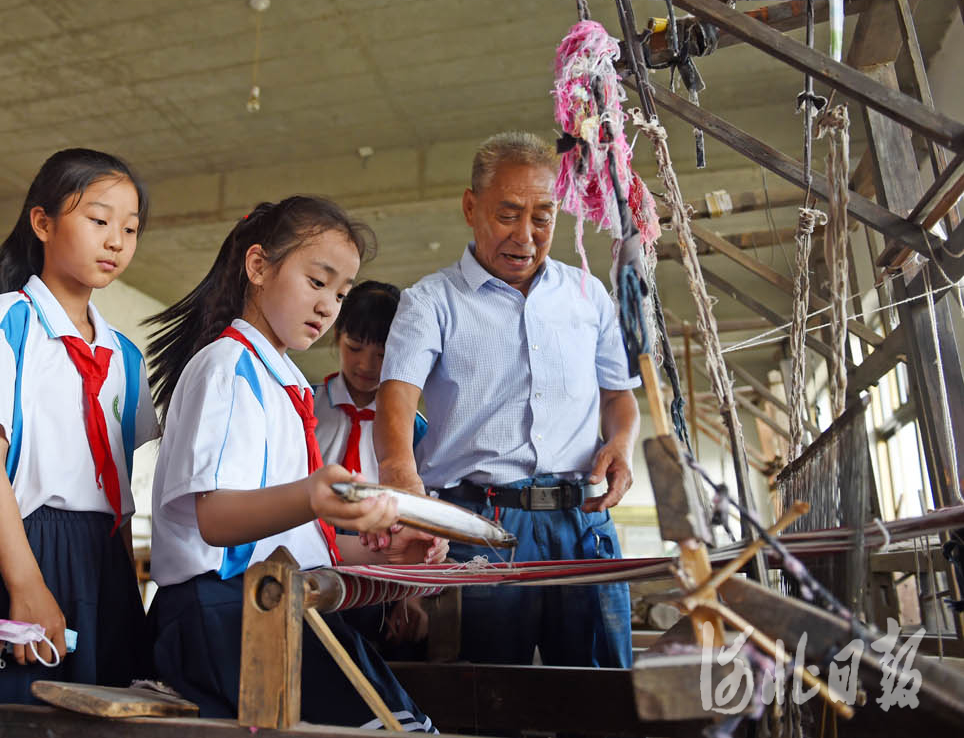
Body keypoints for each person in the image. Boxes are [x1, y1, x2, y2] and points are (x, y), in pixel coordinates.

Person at [144, 196, 444, 732]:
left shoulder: (282, 381)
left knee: (406, 724)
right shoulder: (227, 366)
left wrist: (393, 551)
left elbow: (289, 543)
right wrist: (311, 494)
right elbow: (217, 522)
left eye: (341, 292)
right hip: (223, 614)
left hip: (278, 604)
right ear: (258, 266)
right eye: (317, 281)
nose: (329, 305)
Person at [374, 132, 640, 669]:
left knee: (603, 697)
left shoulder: (588, 295)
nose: (526, 235)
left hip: (581, 525)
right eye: (508, 214)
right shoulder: (431, 302)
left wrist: (621, 443)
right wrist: (399, 471)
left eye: (542, 217)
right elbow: (396, 397)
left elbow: (618, 395)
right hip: (479, 529)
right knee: (485, 699)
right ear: (471, 207)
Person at [0, 149, 159, 738]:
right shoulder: (11, 320)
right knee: (16, 719)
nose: (116, 240)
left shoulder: (126, 357)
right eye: (98, 219)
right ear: (43, 223)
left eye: (130, 228)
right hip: (30, 546)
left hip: (107, 563)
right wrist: (26, 585)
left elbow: (117, 483)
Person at [313, 280, 429, 650]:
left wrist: (411, 598)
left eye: (382, 354)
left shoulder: (416, 432)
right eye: (354, 347)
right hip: (311, 570)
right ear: (337, 337)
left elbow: (423, 521)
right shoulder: (304, 409)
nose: (366, 365)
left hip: (382, 583)